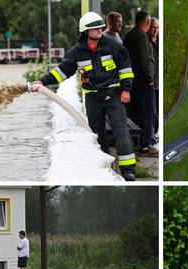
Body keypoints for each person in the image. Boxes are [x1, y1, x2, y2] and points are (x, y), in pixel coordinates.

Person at [32, 12, 137, 181]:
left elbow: (126, 68)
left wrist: (126, 90)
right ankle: (103, 167)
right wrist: (44, 81)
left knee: (121, 131)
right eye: (95, 28)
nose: (99, 30)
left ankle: (128, 170)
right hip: (93, 98)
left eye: (100, 27)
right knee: (96, 134)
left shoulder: (113, 46)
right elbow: (63, 71)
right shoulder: (77, 52)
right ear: (85, 31)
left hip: (114, 95)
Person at [124, 10, 158, 157]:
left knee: (138, 112)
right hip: (143, 83)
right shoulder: (142, 37)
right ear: (147, 22)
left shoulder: (129, 36)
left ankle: (142, 142)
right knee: (147, 112)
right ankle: (146, 145)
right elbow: (145, 61)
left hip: (132, 81)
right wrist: (149, 78)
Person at [147, 17, 159, 137]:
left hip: (159, 83)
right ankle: (152, 135)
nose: (155, 30)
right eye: (153, 27)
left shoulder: (159, 41)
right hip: (151, 83)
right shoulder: (146, 42)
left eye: (157, 27)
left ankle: (155, 133)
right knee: (152, 111)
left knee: (158, 111)